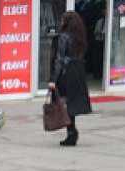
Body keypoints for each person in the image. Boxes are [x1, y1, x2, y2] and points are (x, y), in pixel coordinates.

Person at [49, 11, 92, 146]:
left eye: (62, 20)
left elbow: (60, 59)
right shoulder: (79, 37)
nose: (61, 22)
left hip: (66, 73)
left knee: (64, 103)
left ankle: (72, 132)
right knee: (71, 103)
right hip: (77, 72)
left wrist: (53, 79)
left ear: (66, 22)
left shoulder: (63, 37)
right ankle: (72, 132)